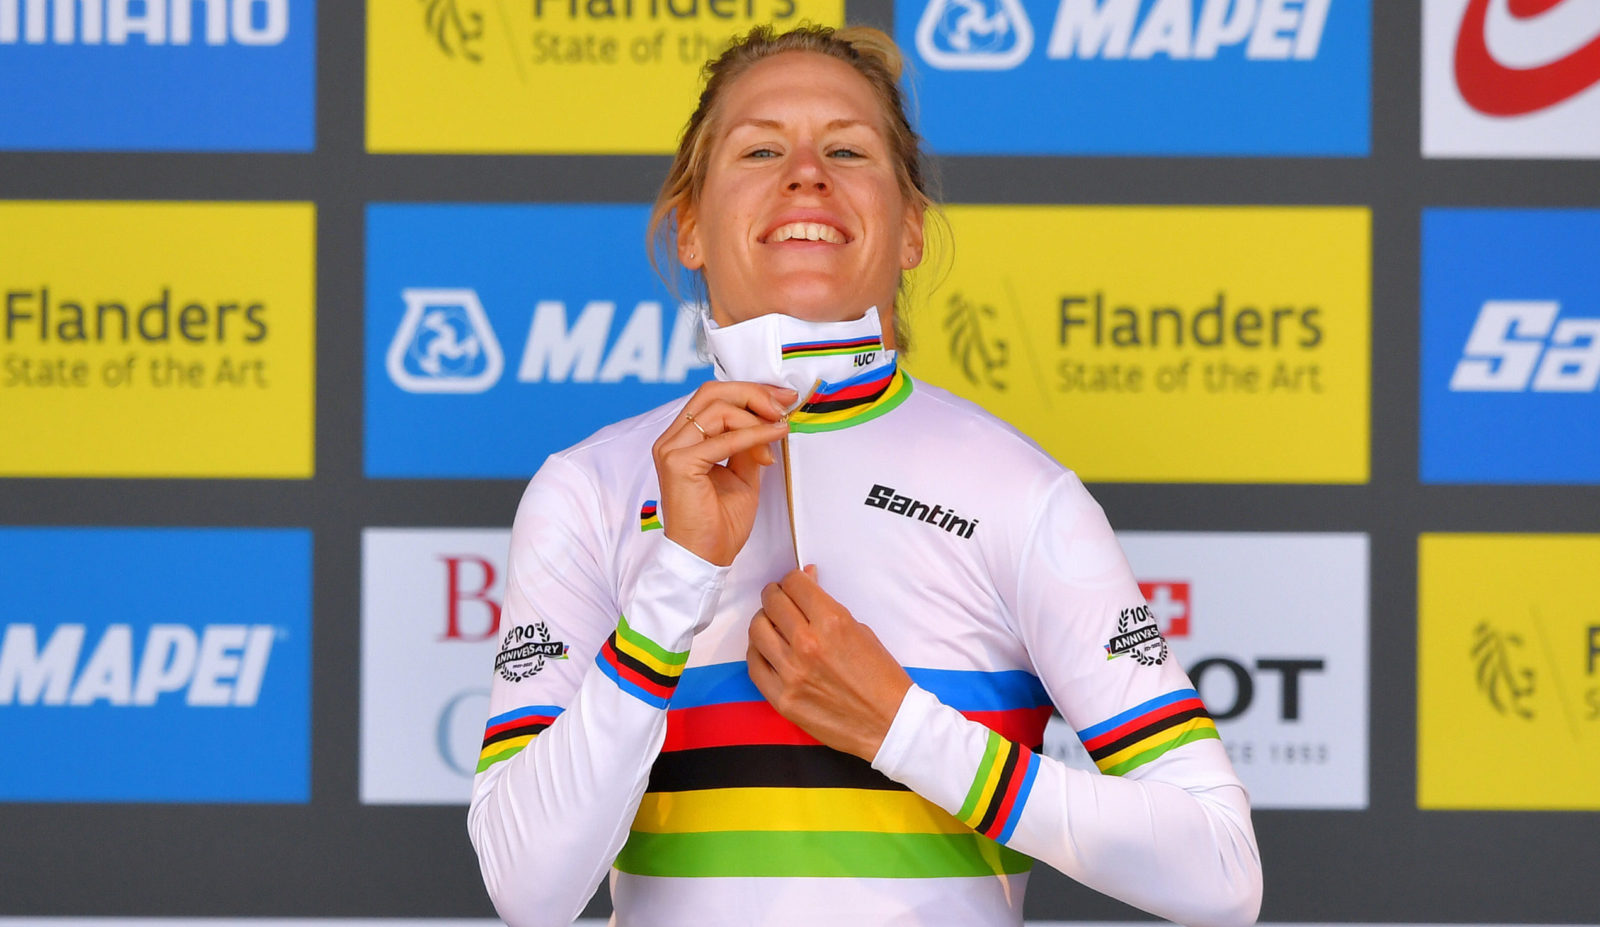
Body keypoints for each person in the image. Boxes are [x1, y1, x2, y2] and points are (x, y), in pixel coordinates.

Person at [468, 23, 1262, 927]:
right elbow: (529, 890)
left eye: (846, 150)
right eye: (760, 149)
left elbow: (1221, 874)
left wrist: (901, 726)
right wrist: (676, 577)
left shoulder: (1019, 493)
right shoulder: (589, 490)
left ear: (911, 229)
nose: (806, 174)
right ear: (689, 227)